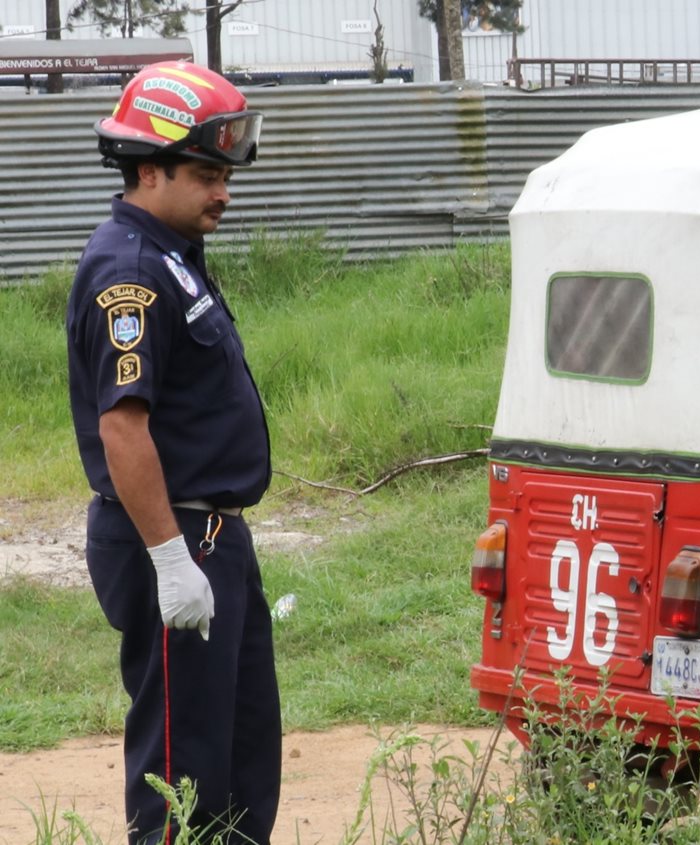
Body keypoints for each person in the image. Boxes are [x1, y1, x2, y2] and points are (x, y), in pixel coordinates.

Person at [66, 61, 280, 845]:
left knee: (243, 757)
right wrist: (169, 558)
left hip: (215, 538)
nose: (222, 191)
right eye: (204, 174)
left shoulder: (171, 253)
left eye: (225, 174)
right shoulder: (130, 272)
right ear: (147, 170)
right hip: (175, 540)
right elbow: (123, 426)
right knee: (182, 771)